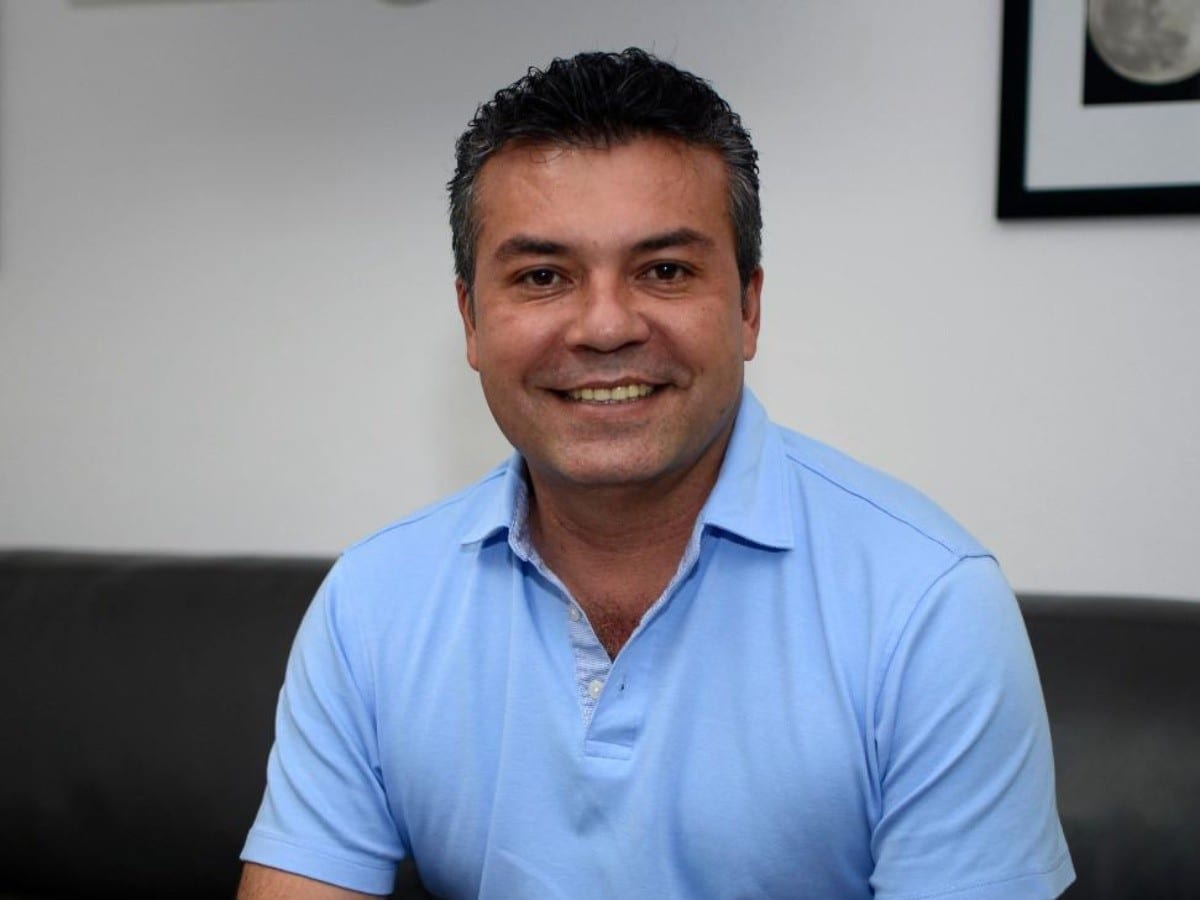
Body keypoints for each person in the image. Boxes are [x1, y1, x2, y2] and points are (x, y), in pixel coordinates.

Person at [238, 48, 1074, 899]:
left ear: (748, 307)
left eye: (665, 271)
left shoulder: (927, 604)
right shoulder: (371, 603)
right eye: (542, 277)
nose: (605, 327)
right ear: (472, 321)